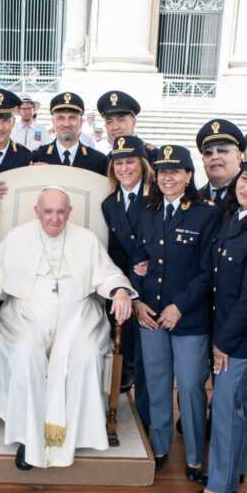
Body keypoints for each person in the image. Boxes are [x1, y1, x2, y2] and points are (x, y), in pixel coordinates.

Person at [0, 188, 135, 469]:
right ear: (37, 211)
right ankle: (28, 436)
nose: (54, 219)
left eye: (61, 212)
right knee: (25, 353)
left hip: (78, 314)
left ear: (69, 212)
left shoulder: (86, 239)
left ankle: (77, 433)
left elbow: (108, 274)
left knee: (85, 354)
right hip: (25, 313)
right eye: (48, 212)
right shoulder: (18, 237)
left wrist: (120, 291)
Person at [190, 146, 247, 493]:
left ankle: (220, 483)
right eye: (245, 180)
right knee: (238, 407)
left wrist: (223, 343)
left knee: (226, 408)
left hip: (239, 338)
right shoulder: (235, 218)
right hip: (228, 328)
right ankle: (235, 467)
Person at [130, 145, 218, 481]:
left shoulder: (205, 214)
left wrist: (179, 306)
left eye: (175, 171)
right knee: (157, 383)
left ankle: (194, 457)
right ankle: (160, 446)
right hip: (151, 315)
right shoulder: (148, 211)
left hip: (188, 318)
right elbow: (138, 262)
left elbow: (208, 271)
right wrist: (137, 301)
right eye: (163, 172)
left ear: (189, 175)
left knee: (192, 388)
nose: (168, 178)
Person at [101, 135, 153, 426]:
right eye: (118, 163)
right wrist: (125, 287)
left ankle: (146, 418)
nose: (124, 168)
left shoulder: (157, 197)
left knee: (150, 359)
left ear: (142, 164)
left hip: (156, 286)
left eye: (130, 161)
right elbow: (116, 252)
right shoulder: (109, 204)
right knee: (126, 348)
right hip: (127, 286)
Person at [31, 92, 108, 174]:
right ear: (53, 122)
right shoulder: (37, 157)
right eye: (60, 118)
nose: (66, 124)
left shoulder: (99, 160)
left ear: (81, 122)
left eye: (72, 118)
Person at [196, 118, 245, 210]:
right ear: (203, 160)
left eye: (222, 150)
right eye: (208, 153)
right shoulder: (195, 200)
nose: (215, 156)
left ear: (238, 156)